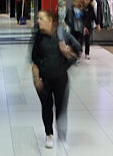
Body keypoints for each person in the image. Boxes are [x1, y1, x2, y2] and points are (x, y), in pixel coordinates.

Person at [30, 9, 81, 148]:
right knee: (46, 106)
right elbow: (34, 59)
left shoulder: (63, 35)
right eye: (38, 18)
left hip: (60, 78)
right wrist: (36, 79)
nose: (38, 21)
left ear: (51, 21)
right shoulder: (38, 37)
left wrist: (67, 52)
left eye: (41, 18)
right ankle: (49, 134)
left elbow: (77, 53)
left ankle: (62, 134)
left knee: (61, 108)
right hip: (44, 79)